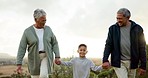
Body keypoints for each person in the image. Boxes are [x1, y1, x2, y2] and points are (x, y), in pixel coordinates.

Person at [102, 8, 146, 78]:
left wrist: (143, 66)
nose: (118, 20)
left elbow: (142, 47)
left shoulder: (138, 29)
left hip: (133, 62)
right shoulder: (112, 29)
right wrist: (105, 60)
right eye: (117, 18)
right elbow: (108, 45)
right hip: (119, 62)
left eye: (120, 18)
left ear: (128, 17)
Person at [16, 9, 60, 78]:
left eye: (45, 20)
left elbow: (55, 43)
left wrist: (57, 56)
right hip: (34, 59)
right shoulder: (27, 32)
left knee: (43, 76)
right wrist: (19, 63)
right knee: (35, 76)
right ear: (36, 19)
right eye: (42, 20)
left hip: (46, 56)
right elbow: (22, 47)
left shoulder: (48, 29)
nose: (44, 22)